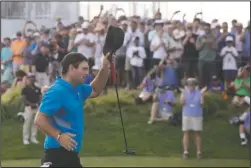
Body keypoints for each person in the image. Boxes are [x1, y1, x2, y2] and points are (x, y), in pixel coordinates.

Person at [35, 52, 110, 167]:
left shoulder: (77, 88)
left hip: (71, 155)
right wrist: (59, 136)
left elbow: (95, 90)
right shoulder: (57, 91)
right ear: (71, 68)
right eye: (84, 69)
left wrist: (105, 67)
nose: (87, 73)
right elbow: (39, 119)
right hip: (56, 156)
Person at [180, 78, 204, 159]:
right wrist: (183, 94)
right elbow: (182, 102)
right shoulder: (184, 92)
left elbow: (202, 103)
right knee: (186, 133)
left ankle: (199, 152)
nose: (190, 87)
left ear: (195, 86)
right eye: (189, 85)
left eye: (192, 85)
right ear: (187, 86)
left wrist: (202, 95)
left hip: (197, 115)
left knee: (197, 133)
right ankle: (186, 152)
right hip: (186, 114)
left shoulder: (199, 93)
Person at [21, 73, 41, 145]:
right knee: (27, 123)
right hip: (29, 107)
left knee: (35, 123)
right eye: (30, 78)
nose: (31, 79)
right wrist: (31, 104)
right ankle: (26, 138)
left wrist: (37, 103)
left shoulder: (37, 88)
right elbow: (24, 100)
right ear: (27, 79)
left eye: (33, 78)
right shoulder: (25, 89)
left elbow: (40, 97)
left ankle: (33, 137)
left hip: (36, 107)